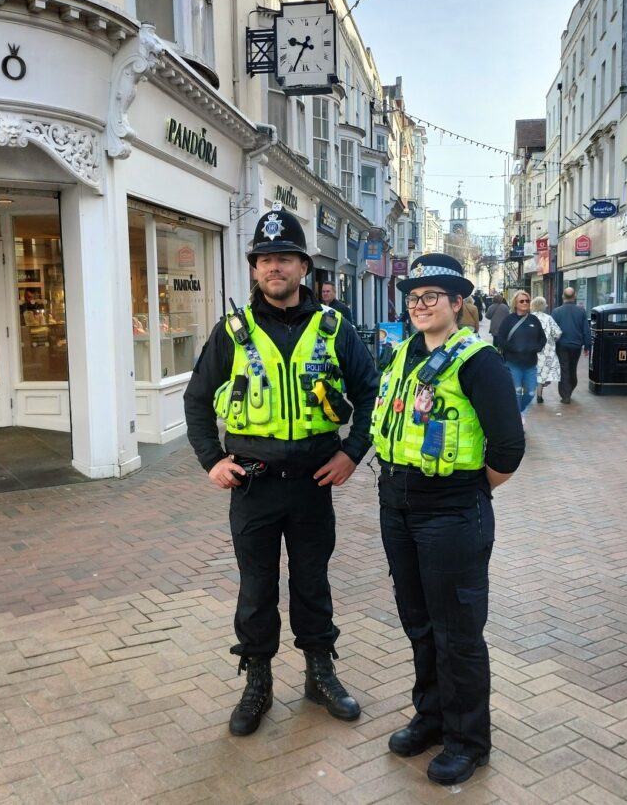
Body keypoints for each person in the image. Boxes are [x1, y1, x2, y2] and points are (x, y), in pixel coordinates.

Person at [183, 202, 379, 737]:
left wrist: (351, 452)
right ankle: (258, 681)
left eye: (285, 258)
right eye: (265, 258)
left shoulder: (333, 328)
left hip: (314, 483)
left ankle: (320, 673)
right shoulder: (233, 332)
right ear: (254, 269)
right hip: (252, 484)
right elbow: (197, 401)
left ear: (303, 268)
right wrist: (211, 460)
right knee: (256, 586)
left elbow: (370, 395)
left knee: (313, 581)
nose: (275, 267)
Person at [371, 253, 525, 787]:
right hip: (397, 505)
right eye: (413, 298)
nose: (419, 306)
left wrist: (470, 494)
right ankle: (431, 717)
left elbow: (508, 445)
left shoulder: (477, 360)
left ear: (458, 303)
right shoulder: (402, 356)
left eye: (431, 297)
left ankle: (467, 741)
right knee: (418, 622)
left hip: (452, 512)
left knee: (457, 631)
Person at [496, 291, 546, 420]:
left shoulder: (534, 320)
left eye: (527, 301)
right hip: (513, 363)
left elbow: (543, 338)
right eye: (521, 301)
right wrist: (514, 348)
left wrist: (536, 348)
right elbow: (499, 340)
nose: (525, 303)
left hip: (530, 364)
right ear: (515, 304)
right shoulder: (509, 320)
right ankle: (517, 419)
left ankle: (519, 412)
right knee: (516, 392)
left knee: (530, 393)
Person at [551, 287, 592, 404]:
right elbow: (586, 330)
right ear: (574, 297)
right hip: (576, 345)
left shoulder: (556, 312)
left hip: (561, 344)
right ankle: (569, 389)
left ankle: (565, 394)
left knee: (564, 368)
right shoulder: (581, 311)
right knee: (572, 368)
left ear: (563, 297)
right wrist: (587, 346)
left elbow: (552, 330)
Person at [530, 296, 562, 404]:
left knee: (531, 371)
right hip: (546, 350)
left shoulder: (529, 317)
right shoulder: (548, 318)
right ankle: (539, 395)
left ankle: (529, 394)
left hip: (531, 350)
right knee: (542, 373)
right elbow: (557, 333)